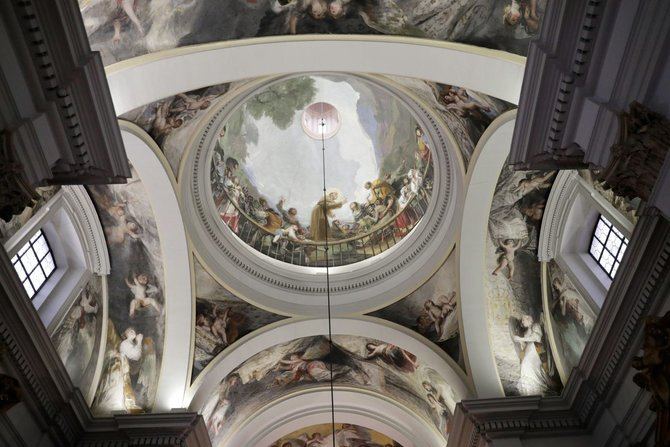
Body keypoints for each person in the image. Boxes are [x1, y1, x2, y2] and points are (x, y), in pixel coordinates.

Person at [513, 315, 553, 395]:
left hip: (536, 349)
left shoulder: (536, 325)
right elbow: (525, 344)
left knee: (530, 365)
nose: (523, 321)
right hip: (529, 350)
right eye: (523, 320)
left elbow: (536, 337)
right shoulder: (526, 331)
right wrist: (520, 341)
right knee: (524, 365)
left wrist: (520, 339)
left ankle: (537, 391)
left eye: (524, 319)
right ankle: (529, 391)